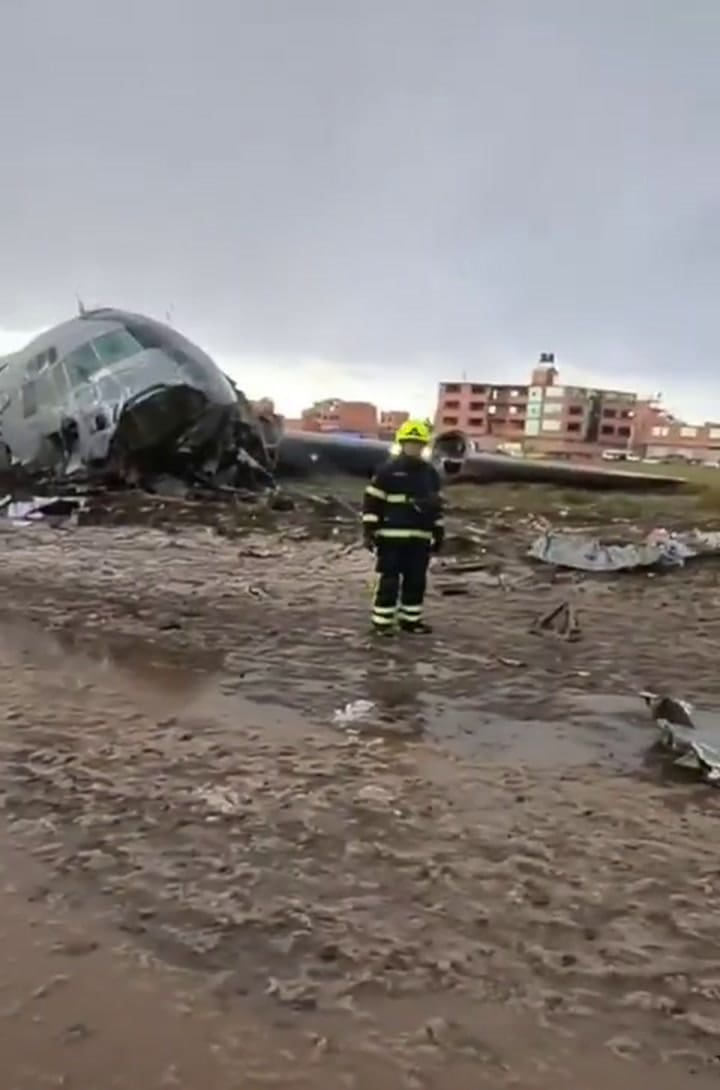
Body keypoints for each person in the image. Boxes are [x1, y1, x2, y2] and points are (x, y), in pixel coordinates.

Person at [361, 419, 444, 635]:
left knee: (416, 581)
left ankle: (410, 621)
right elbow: (372, 501)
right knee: (389, 581)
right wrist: (369, 530)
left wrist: (439, 530)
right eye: (410, 443)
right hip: (391, 537)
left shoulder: (430, 474)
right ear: (402, 443)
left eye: (418, 444)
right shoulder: (387, 471)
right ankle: (382, 623)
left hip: (420, 538)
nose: (414, 447)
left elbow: (437, 506)